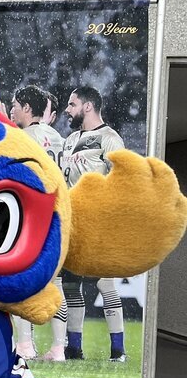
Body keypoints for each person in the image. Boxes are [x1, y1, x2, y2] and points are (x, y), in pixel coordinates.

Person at [59, 85, 127, 362]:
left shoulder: (109, 139)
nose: (67, 109)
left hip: (97, 222)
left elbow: (121, 180)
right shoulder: (70, 139)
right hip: (71, 224)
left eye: (72, 104)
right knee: (71, 286)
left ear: (87, 106)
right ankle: (74, 349)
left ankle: (118, 351)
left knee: (105, 284)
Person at [9, 85, 68, 361]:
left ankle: (25, 345)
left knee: (22, 279)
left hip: (33, 215)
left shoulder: (22, 138)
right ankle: (58, 348)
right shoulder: (57, 137)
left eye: (15, 105)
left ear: (27, 108)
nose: (12, 110)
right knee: (57, 284)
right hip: (58, 216)